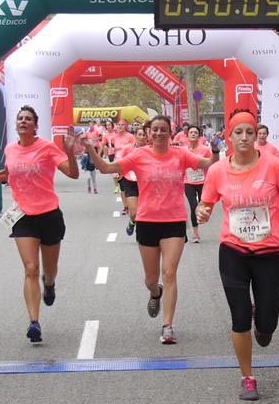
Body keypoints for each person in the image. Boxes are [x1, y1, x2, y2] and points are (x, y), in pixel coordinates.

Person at [196, 109, 279, 400]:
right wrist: (202, 212)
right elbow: (205, 204)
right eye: (238, 132)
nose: (244, 137)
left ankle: (263, 324)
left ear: (257, 136)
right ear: (228, 137)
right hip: (233, 250)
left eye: (249, 132)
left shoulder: (274, 166)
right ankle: (248, 377)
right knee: (239, 316)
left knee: (267, 325)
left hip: (268, 251)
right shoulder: (218, 171)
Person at [85, 116, 213, 345]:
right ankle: (155, 293)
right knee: (151, 278)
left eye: (163, 129)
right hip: (147, 221)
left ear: (170, 132)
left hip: (173, 221)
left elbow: (207, 163)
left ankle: (167, 326)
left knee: (170, 272)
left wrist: (215, 149)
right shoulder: (139, 155)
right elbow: (105, 168)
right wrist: (89, 149)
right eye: (155, 130)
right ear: (149, 132)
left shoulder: (180, 154)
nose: (159, 133)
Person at [0, 106, 79, 344]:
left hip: (49, 215)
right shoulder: (11, 149)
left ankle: (50, 283)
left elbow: (73, 174)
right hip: (23, 217)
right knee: (31, 268)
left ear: (36, 125)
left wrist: (70, 152)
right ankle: (34, 322)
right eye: (20, 118)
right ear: (16, 124)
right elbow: (7, 173)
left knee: (49, 270)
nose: (23, 121)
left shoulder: (46, 148)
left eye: (28, 119)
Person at [183, 125, 213, 243]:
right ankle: (195, 234)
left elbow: (212, 163)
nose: (193, 134)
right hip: (188, 182)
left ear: (199, 135)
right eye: (191, 132)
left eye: (196, 132)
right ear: (187, 135)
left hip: (202, 181)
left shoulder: (205, 150)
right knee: (193, 206)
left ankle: (202, 217)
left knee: (203, 205)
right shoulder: (183, 150)